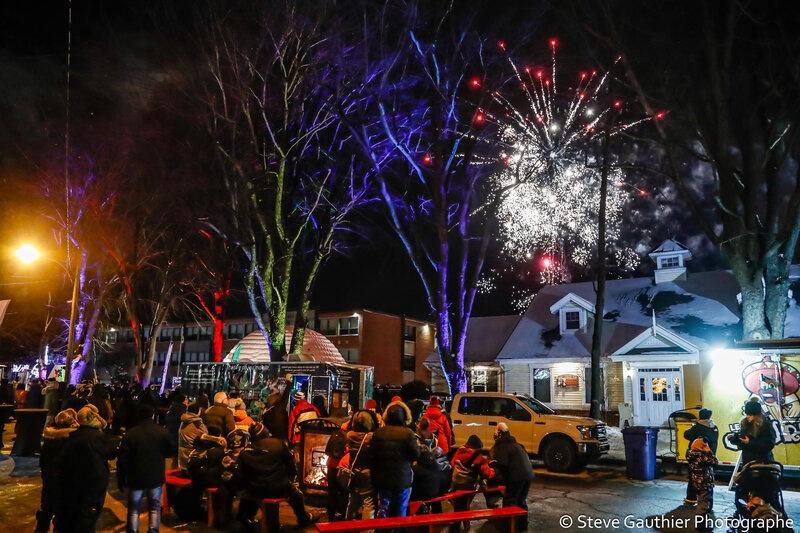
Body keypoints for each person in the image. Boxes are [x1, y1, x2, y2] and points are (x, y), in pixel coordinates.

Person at [235, 423, 318, 528]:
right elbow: (291, 465)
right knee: (297, 496)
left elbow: (241, 475)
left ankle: (246, 517)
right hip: (278, 488)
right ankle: (304, 518)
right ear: (266, 433)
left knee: (249, 492)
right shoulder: (278, 444)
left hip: (255, 489)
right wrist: (291, 479)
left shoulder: (245, 451)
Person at [117, 403, 174, 533]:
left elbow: (123, 459)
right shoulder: (161, 432)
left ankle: (133, 530)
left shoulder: (131, 434)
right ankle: (153, 530)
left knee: (134, 508)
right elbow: (170, 451)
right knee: (154, 507)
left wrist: (121, 478)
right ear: (152, 415)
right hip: (156, 475)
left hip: (135, 476)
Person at [61, 404, 116, 532]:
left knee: (80, 507)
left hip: (77, 476)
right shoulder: (98, 436)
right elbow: (110, 453)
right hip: (95, 477)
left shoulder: (72, 435)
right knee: (91, 511)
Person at [370, 402, 420, 518]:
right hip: (402, 478)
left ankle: (382, 526)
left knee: (383, 508)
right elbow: (416, 455)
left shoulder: (379, 433)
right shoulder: (408, 434)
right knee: (400, 509)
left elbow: (372, 456)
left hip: (382, 478)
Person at [36, 408, 79, 533]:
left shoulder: (49, 439)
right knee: (62, 515)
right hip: (65, 484)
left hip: (49, 481)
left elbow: (43, 462)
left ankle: (41, 528)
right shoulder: (71, 441)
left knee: (46, 509)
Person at [489, 422, 534, 531]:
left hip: (516, 476)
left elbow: (502, 463)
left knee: (510, 501)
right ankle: (522, 526)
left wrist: (493, 464)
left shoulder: (502, 445)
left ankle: (508, 528)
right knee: (521, 501)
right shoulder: (514, 443)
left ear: (499, 434)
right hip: (527, 475)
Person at [344, 410, 378, 520]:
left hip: (354, 472)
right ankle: (367, 527)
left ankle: (347, 523)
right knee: (368, 502)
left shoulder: (349, 435)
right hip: (367, 473)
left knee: (353, 499)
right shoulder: (371, 437)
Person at [683, 408, 719, 504]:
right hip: (709, 456)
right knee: (708, 477)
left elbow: (686, 435)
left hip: (697, 457)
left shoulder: (697, 427)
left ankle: (691, 498)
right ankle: (707, 499)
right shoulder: (714, 427)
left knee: (693, 477)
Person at [686, 437, 717, 520]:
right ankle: (701, 521)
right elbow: (714, 461)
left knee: (705, 501)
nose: (706, 447)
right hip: (704, 482)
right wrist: (708, 451)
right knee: (704, 503)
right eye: (704, 445)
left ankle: (703, 519)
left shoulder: (691, 454)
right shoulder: (701, 456)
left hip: (699, 482)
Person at [178, 402, 208, 473]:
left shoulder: (184, 420)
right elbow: (205, 434)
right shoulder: (196, 422)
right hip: (192, 451)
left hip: (182, 453)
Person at [165, 392, 188, 468]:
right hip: (180, 436)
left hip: (171, 435)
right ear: (183, 401)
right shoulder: (184, 411)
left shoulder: (171, 409)